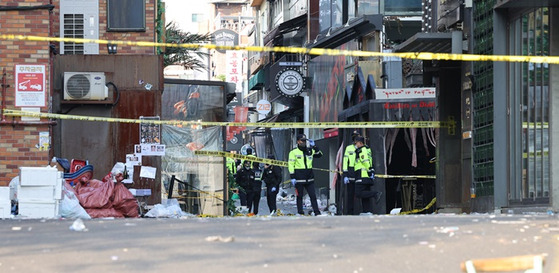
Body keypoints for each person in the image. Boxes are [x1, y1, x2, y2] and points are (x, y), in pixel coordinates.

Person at [288, 133, 323, 216]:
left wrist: (314, 146)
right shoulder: (293, 152)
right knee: (299, 196)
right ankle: (300, 212)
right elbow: (291, 165)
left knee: (313, 196)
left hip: (309, 178)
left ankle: (316, 212)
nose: (303, 142)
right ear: (298, 142)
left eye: (304, 141)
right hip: (299, 178)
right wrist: (292, 177)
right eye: (302, 141)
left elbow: (320, 154)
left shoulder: (310, 150)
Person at [353, 136, 382, 213]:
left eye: (356, 143)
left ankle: (376, 194)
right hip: (365, 175)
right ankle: (366, 211)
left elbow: (365, 161)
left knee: (358, 193)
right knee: (365, 196)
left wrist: (369, 171)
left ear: (360, 143)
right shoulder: (367, 150)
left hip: (362, 175)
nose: (356, 144)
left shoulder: (362, 150)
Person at [342, 130, 361, 215]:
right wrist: (345, 174)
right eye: (354, 137)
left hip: (360, 172)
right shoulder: (349, 148)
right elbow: (345, 161)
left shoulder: (363, 147)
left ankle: (362, 211)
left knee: (360, 193)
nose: (355, 139)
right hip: (351, 172)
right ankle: (350, 212)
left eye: (357, 137)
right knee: (350, 195)